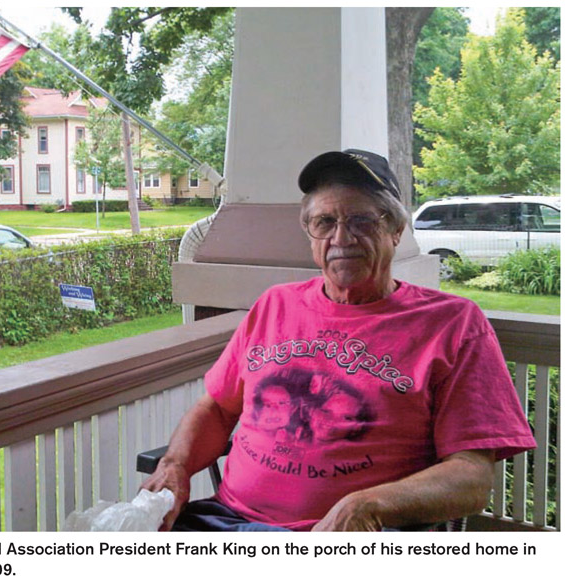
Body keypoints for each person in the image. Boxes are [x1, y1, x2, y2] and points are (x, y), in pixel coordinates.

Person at [142, 149, 536, 531]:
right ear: (310, 234)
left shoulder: (451, 323)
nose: (341, 237)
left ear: (396, 230)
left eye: (362, 221)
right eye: (325, 222)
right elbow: (216, 407)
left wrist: (369, 506)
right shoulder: (275, 305)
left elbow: (472, 475)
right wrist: (175, 465)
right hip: (225, 520)